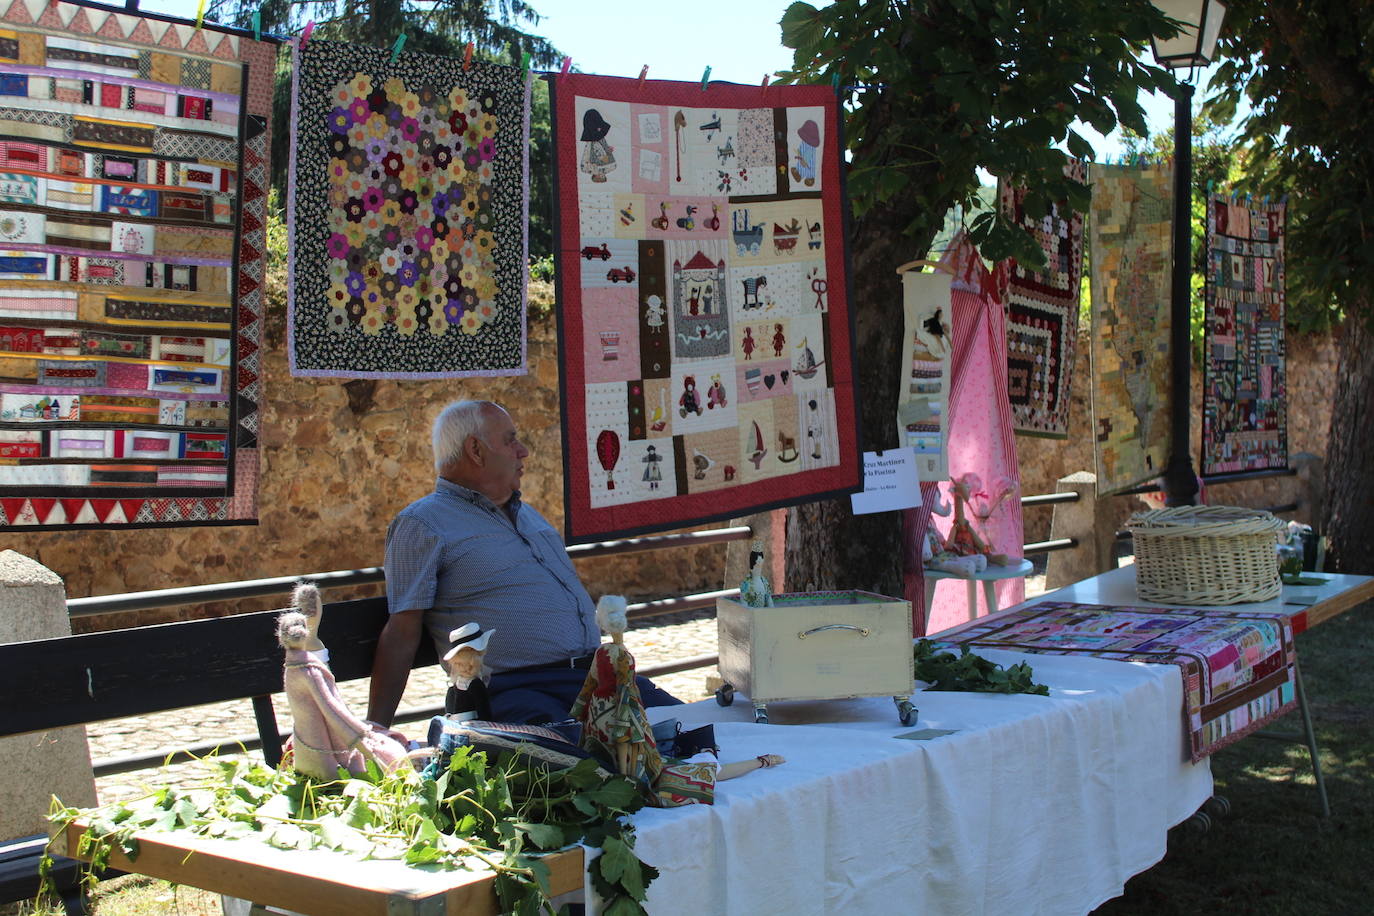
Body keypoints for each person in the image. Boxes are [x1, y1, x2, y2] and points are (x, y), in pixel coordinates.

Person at [366, 400, 682, 727]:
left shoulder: (527, 514)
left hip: (596, 680)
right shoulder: (423, 523)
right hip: (517, 690)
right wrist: (375, 731)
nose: (523, 451)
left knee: (697, 729)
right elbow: (402, 631)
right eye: (510, 440)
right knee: (591, 760)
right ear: (475, 449)